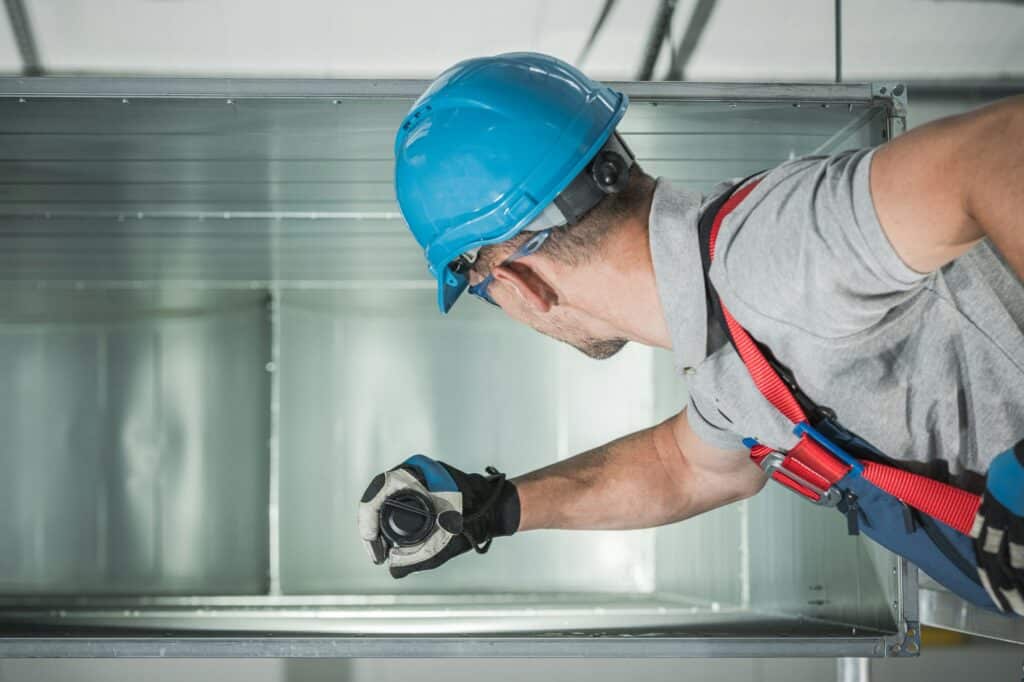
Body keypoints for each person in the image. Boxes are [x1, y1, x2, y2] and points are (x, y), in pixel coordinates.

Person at [357, 52, 1024, 614]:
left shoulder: (768, 253)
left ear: (523, 284)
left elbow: (1001, 149)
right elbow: (682, 469)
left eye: (482, 292)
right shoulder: (728, 354)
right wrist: (491, 507)